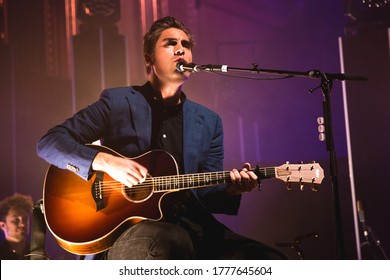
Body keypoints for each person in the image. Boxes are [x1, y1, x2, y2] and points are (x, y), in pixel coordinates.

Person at [36, 16, 287, 260]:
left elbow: (209, 194)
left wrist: (232, 189)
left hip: (194, 228)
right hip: (131, 232)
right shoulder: (118, 102)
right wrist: (105, 161)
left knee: (271, 259)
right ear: (149, 60)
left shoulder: (210, 121)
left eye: (186, 45)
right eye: (170, 44)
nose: (181, 50)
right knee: (167, 241)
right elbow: (49, 143)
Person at [0, 193, 34, 260]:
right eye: (16, 220)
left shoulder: (39, 255)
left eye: (25, 219)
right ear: (3, 225)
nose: (22, 224)